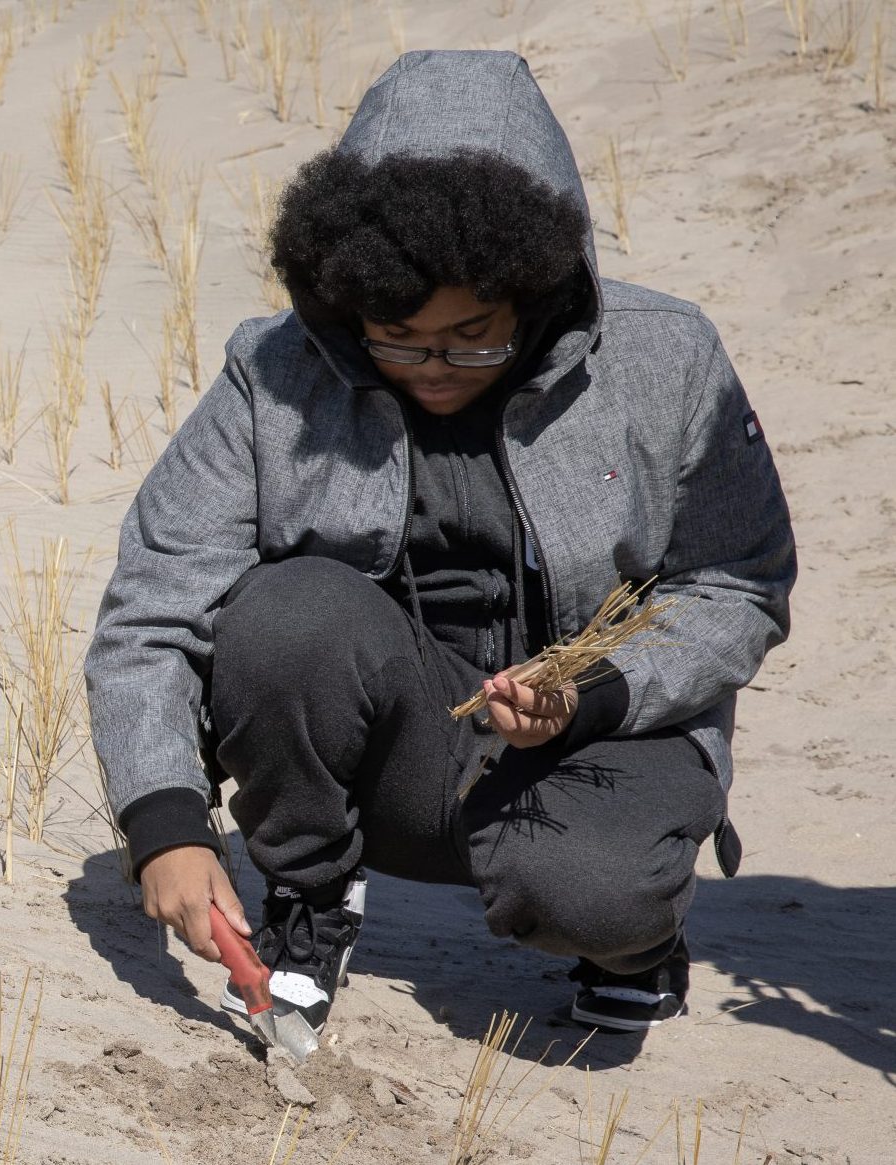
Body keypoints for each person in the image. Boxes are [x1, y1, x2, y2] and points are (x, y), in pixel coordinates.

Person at [83, 50, 795, 1036]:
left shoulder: (669, 358)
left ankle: (631, 938)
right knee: (282, 614)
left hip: (599, 740)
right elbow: (154, 606)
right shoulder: (272, 371)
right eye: (396, 337)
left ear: (538, 292)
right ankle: (311, 897)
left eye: (474, 337)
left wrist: (588, 690)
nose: (434, 369)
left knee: (589, 889)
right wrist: (159, 821)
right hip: (404, 750)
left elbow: (739, 583)